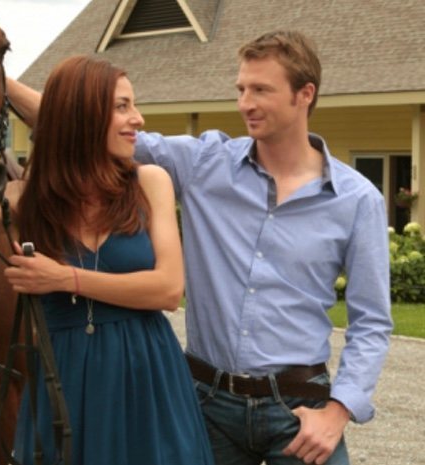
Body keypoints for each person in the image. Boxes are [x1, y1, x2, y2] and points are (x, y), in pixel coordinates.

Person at [0, 55, 215, 465]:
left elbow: (167, 290)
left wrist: (63, 278)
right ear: (81, 115)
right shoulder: (27, 198)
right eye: (122, 106)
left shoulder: (150, 182)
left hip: (146, 371)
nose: (138, 119)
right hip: (66, 374)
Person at [130, 30, 393, 465]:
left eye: (261, 90)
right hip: (205, 405)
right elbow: (99, 132)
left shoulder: (358, 200)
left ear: (304, 94)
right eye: (241, 89)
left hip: (299, 409)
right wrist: (6, 90)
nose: (245, 103)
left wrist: (337, 412)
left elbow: (372, 322)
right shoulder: (204, 163)